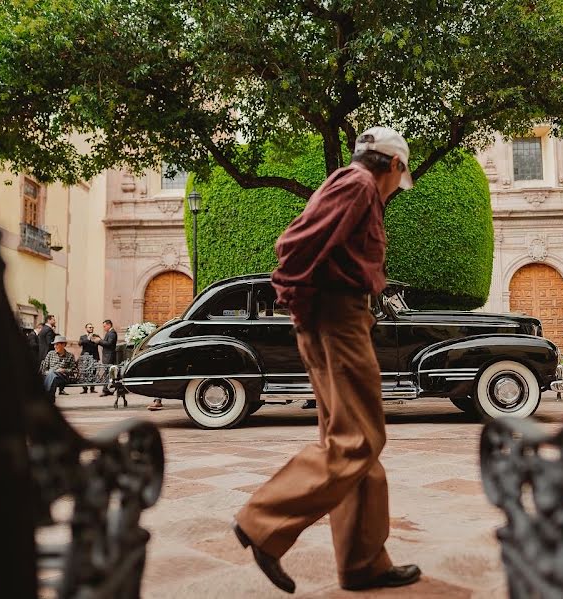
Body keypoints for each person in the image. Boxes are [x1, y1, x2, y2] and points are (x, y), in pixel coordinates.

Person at [232, 127, 421, 594]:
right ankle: (263, 521)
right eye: (401, 174)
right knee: (358, 440)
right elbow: (293, 246)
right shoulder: (357, 184)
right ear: (393, 165)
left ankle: (363, 564)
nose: (400, 184)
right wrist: (304, 310)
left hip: (340, 315)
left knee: (355, 443)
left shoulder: (354, 186)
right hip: (336, 316)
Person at [96, 319, 117, 397]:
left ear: (109, 325)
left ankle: (106, 390)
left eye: (104, 326)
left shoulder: (112, 333)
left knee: (108, 373)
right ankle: (108, 390)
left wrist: (99, 341)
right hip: (107, 355)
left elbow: (109, 344)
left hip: (109, 356)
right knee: (108, 373)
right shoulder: (109, 333)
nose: (104, 328)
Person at [78, 323, 100, 394]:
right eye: (89, 327)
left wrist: (92, 339)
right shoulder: (83, 337)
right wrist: (88, 339)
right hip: (85, 357)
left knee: (93, 372)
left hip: (94, 356)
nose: (91, 328)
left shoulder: (96, 336)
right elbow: (80, 343)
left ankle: (92, 388)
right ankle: (84, 388)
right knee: (84, 372)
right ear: (86, 328)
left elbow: (97, 343)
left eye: (92, 327)